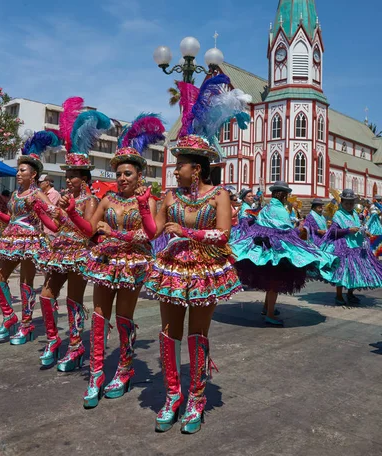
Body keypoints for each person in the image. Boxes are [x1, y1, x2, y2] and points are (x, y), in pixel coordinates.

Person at [144, 73, 251, 434]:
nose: (176, 170)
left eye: (181, 165)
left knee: (198, 333)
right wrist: (145, 208)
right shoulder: (170, 197)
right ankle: (173, 395)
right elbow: (154, 232)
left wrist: (187, 231)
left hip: (206, 269)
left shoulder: (218, 195)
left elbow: (223, 234)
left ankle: (197, 398)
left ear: (198, 168)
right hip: (172, 268)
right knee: (168, 331)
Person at [69, 113, 164, 409]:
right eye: (119, 174)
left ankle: (124, 369)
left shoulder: (147, 201)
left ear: (139, 175)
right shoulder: (107, 199)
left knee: (124, 318)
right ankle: (96, 374)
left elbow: (148, 236)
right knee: (99, 316)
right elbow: (90, 229)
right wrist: (71, 213)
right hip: (104, 262)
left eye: (127, 174)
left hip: (132, 264)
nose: (121, 178)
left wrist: (116, 234)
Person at [33, 98, 111, 370]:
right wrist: (46, 213)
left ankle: (76, 345)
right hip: (58, 252)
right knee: (45, 295)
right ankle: (54, 340)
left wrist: (66, 213)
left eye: (74, 175)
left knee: (73, 300)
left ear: (84, 177)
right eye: (68, 175)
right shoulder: (65, 197)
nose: (69, 179)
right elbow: (56, 228)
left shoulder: (89, 200)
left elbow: (86, 230)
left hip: (78, 254)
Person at [230, 181, 337, 326]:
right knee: (274, 282)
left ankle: (267, 308)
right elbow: (286, 231)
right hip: (277, 251)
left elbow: (262, 225)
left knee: (271, 281)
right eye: (287, 194)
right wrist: (299, 229)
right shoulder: (280, 210)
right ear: (283, 195)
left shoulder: (267, 207)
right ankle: (269, 314)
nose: (288, 197)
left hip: (265, 250)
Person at [0, 131, 60, 344]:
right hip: (11, 239)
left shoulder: (37, 194)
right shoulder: (14, 194)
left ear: (33, 175)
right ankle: (9, 315)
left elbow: (52, 214)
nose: (18, 174)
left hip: (30, 240)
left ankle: (26, 325)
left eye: (22, 171)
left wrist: (38, 207)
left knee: (25, 283)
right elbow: (10, 218)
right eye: (18, 171)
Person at [323, 189, 382, 305]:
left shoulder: (355, 213)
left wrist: (365, 231)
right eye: (347, 203)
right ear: (342, 202)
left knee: (355, 270)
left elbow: (359, 226)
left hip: (357, 246)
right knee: (341, 271)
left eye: (351, 203)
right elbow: (333, 231)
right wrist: (348, 230)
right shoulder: (338, 215)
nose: (349, 205)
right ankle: (339, 296)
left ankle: (350, 294)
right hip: (344, 247)